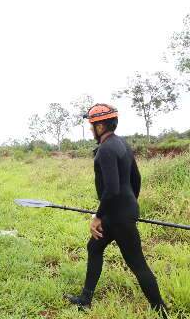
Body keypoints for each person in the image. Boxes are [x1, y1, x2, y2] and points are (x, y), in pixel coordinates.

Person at [65, 104, 168, 318]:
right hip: (120, 213)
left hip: (116, 216)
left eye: (92, 125)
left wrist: (97, 216)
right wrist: (130, 204)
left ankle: (161, 311)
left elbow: (111, 190)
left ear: (101, 125)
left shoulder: (105, 150)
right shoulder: (122, 144)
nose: (91, 129)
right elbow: (136, 179)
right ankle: (85, 299)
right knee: (94, 247)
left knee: (137, 263)